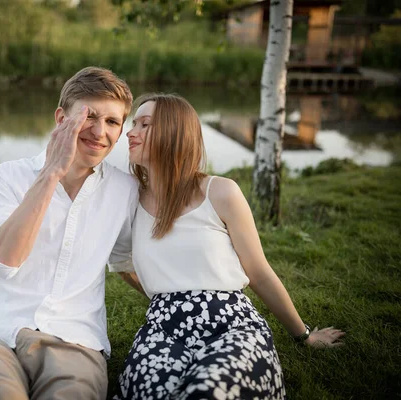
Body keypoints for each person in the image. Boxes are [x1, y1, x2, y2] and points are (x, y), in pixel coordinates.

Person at [111, 93, 345, 400]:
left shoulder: (219, 192)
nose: (130, 132)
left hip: (231, 324)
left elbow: (259, 272)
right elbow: (121, 263)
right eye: (134, 123)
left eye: (145, 124)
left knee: (211, 391)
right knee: (152, 391)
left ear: (174, 132)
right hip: (163, 330)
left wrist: (304, 335)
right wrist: (169, 299)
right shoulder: (128, 201)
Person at [0, 66, 138, 400]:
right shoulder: (11, 177)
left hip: (77, 346)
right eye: (89, 116)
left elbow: (127, 260)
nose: (100, 131)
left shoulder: (125, 190)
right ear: (61, 118)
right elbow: (4, 260)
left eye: (112, 122)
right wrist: (51, 173)